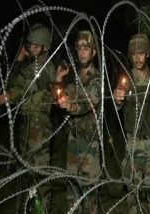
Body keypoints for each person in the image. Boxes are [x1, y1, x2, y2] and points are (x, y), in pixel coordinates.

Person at [0, 23, 55, 212]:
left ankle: (43, 209)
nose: (31, 48)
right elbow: (12, 82)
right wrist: (19, 60)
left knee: (40, 174)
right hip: (26, 123)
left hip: (39, 127)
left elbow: (21, 89)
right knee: (27, 172)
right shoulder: (30, 65)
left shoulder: (46, 67)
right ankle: (31, 207)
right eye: (29, 45)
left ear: (45, 47)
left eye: (36, 46)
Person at [113, 33, 150, 214]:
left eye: (141, 53)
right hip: (132, 141)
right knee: (132, 192)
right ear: (130, 55)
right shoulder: (126, 80)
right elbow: (117, 107)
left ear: (148, 54)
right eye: (134, 54)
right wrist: (118, 99)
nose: (138, 58)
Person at [55, 30, 101, 213]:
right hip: (73, 143)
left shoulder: (96, 79)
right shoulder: (75, 78)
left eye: (86, 48)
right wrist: (59, 79)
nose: (82, 52)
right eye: (79, 48)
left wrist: (71, 106)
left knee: (89, 198)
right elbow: (61, 97)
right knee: (72, 195)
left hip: (89, 146)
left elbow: (88, 103)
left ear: (93, 52)